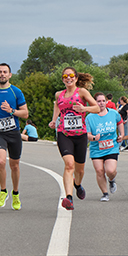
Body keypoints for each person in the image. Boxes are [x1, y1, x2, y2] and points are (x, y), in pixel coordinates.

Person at [48, 66, 99, 210]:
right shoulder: (59, 94)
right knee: (69, 164)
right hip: (64, 134)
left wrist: (85, 109)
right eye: (65, 76)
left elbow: (96, 108)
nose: (68, 78)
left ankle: (77, 184)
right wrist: (54, 120)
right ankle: (68, 198)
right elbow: (57, 106)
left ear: (76, 78)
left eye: (71, 75)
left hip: (80, 135)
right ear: (62, 79)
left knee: (80, 170)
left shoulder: (82, 92)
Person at [0, 63, 29, 210]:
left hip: (14, 133)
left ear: (10, 75)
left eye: (5, 72)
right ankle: (3, 191)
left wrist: (11, 111)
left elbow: (25, 114)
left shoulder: (16, 92)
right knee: (1, 161)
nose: (2, 74)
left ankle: (15, 193)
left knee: (14, 166)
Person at [85, 92, 124, 202]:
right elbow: (87, 134)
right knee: (99, 171)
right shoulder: (90, 117)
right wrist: (93, 138)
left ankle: (111, 180)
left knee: (110, 171)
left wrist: (121, 134)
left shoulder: (113, 113)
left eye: (103, 101)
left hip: (111, 146)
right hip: (96, 148)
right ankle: (105, 193)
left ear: (106, 102)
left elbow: (120, 122)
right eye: (98, 101)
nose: (101, 103)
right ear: (94, 102)